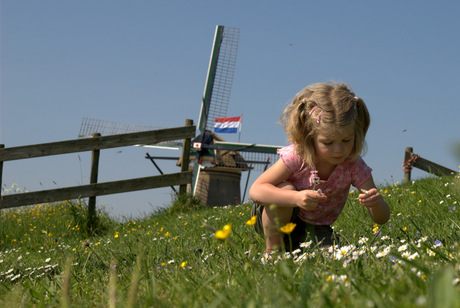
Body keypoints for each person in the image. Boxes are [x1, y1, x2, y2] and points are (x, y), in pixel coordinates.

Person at [249, 82, 390, 252]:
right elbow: (256, 190)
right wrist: (296, 198)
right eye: (328, 142)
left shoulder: (353, 165)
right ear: (310, 137)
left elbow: (381, 219)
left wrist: (376, 203)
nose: (339, 150)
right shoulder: (298, 156)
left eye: (346, 140)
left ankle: (295, 245)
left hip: (316, 226)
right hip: (275, 216)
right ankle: (274, 252)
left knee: (330, 254)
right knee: (285, 188)